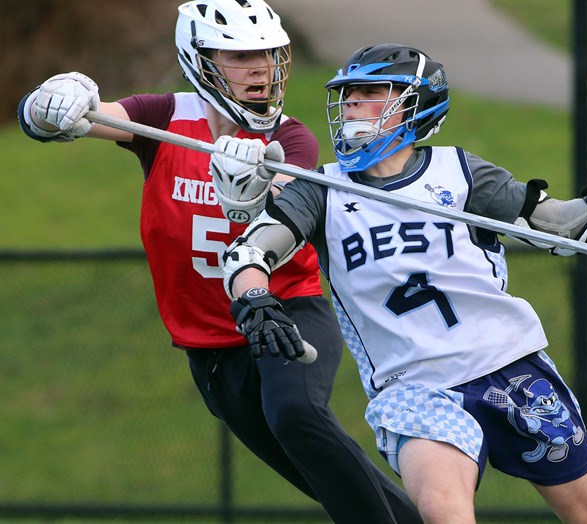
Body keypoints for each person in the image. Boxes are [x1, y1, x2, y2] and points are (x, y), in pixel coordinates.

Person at [217, 43, 587, 523]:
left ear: (413, 107)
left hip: (511, 365)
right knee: (442, 513)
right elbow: (250, 252)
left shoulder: (460, 172)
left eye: (370, 94)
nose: (351, 105)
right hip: (415, 388)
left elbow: (565, 227)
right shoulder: (321, 190)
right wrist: (254, 297)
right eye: (347, 95)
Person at [17, 4, 423, 523]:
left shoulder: (290, 137)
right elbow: (79, 121)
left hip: (283, 309)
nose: (260, 68)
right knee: (318, 472)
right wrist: (49, 106)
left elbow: (286, 200)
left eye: (268, 55)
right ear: (200, 59)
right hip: (208, 345)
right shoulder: (163, 117)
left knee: (297, 416)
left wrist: (252, 186)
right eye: (241, 56)